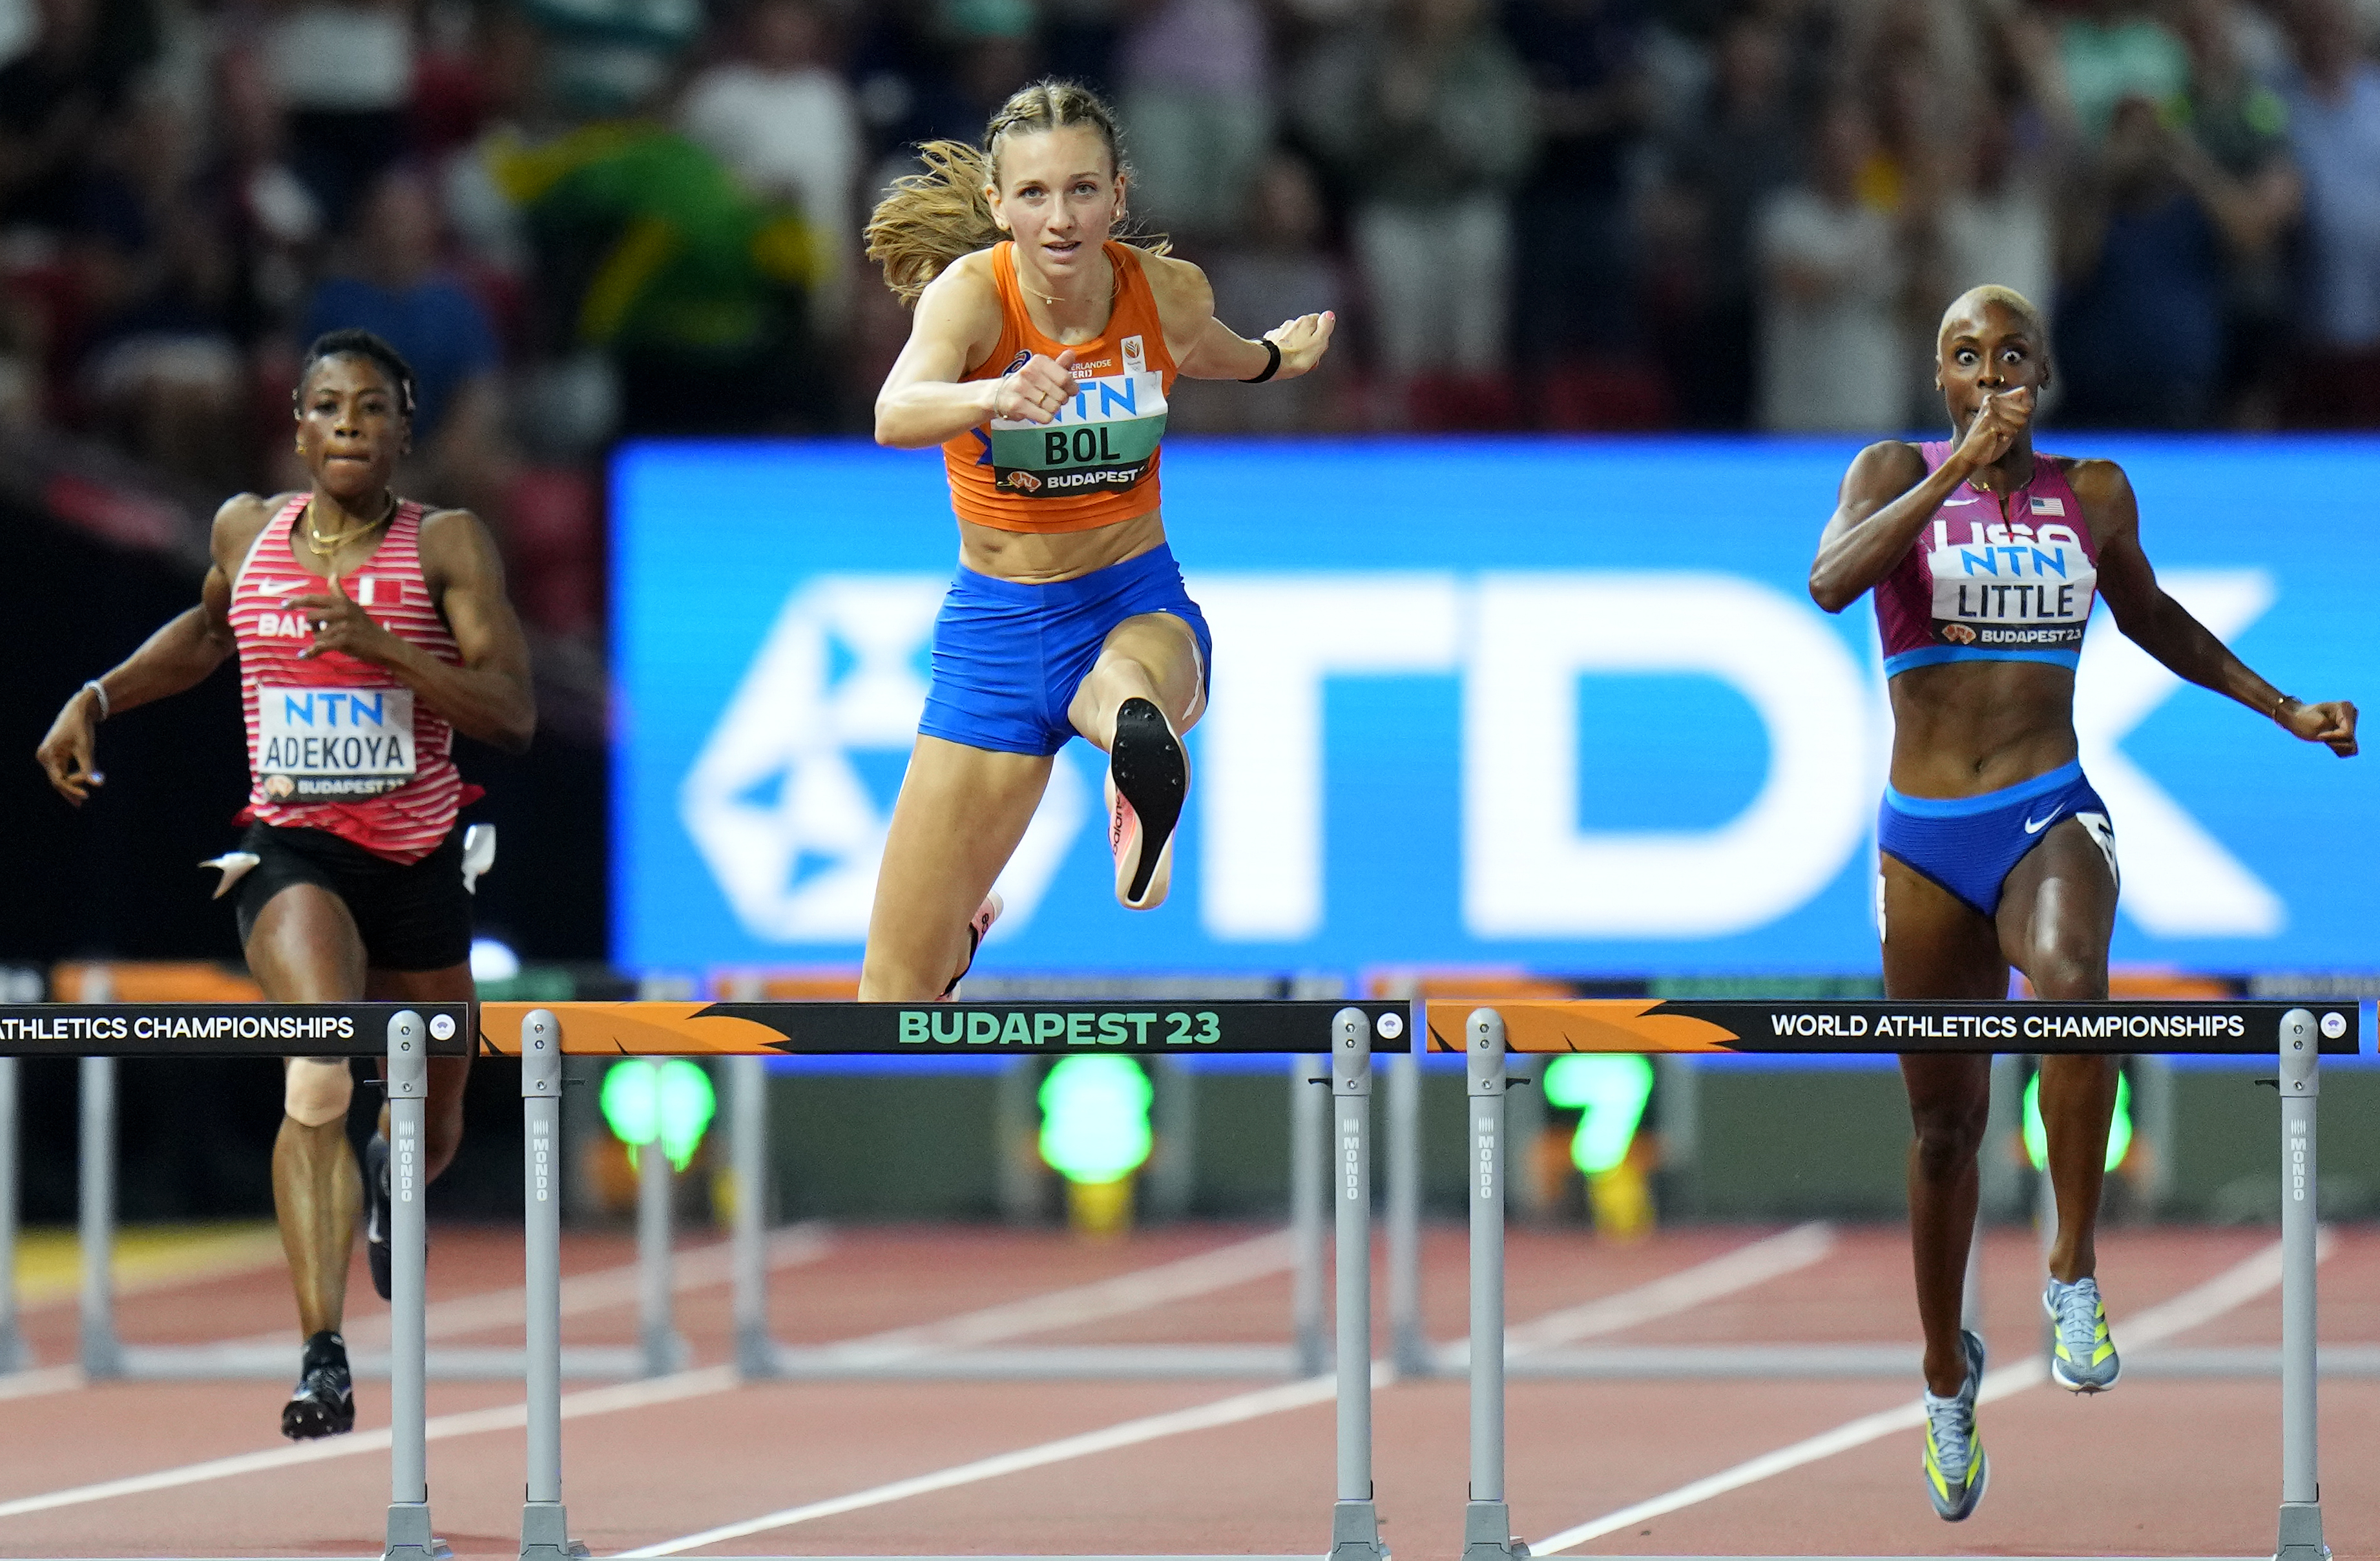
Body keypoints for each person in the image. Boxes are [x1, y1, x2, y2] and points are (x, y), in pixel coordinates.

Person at [1807, 286, 2357, 1523]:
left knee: (2071, 983)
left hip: (2048, 809)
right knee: (1943, 1131)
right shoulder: (1896, 468)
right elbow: (1833, 583)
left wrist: (2283, 709)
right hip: (1924, 841)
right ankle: (1948, 1375)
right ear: (1940, 378)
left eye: (2011, 355)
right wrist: (1954, 474)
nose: (1990, 372)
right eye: (1965, 356)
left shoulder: (2092, 494)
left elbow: (2154, 618)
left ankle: (2072, 1266)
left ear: (2042, 372)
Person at [34, 328, 536, 1440]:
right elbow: (209, 634)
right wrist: (99, 696)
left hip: (419, 856)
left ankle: (390, 1170)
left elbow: (513, 712)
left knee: (432, 1120)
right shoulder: (246, 530)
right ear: (297, 427)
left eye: (371, 409)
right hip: (291, 848)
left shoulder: (445, 547)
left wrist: (384, 647)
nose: (349, 425)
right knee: (320, 1057)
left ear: (406, 432)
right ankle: (323, 1357)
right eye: (327, 407)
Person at [857, 79, 1331, 1001]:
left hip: (1132, 601)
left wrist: (1276, 357)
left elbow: (1215, 351)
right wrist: (994, 394)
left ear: (1119, 196)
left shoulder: (1165, 292)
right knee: (891, 998)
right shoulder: (973, 299)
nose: (1061, 217)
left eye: (1082, 190)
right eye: (1034, 194)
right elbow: (895, 410)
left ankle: (1134, 764)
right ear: (999, 206)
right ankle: (957, 940)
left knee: (1124, 683)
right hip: (997, 640)